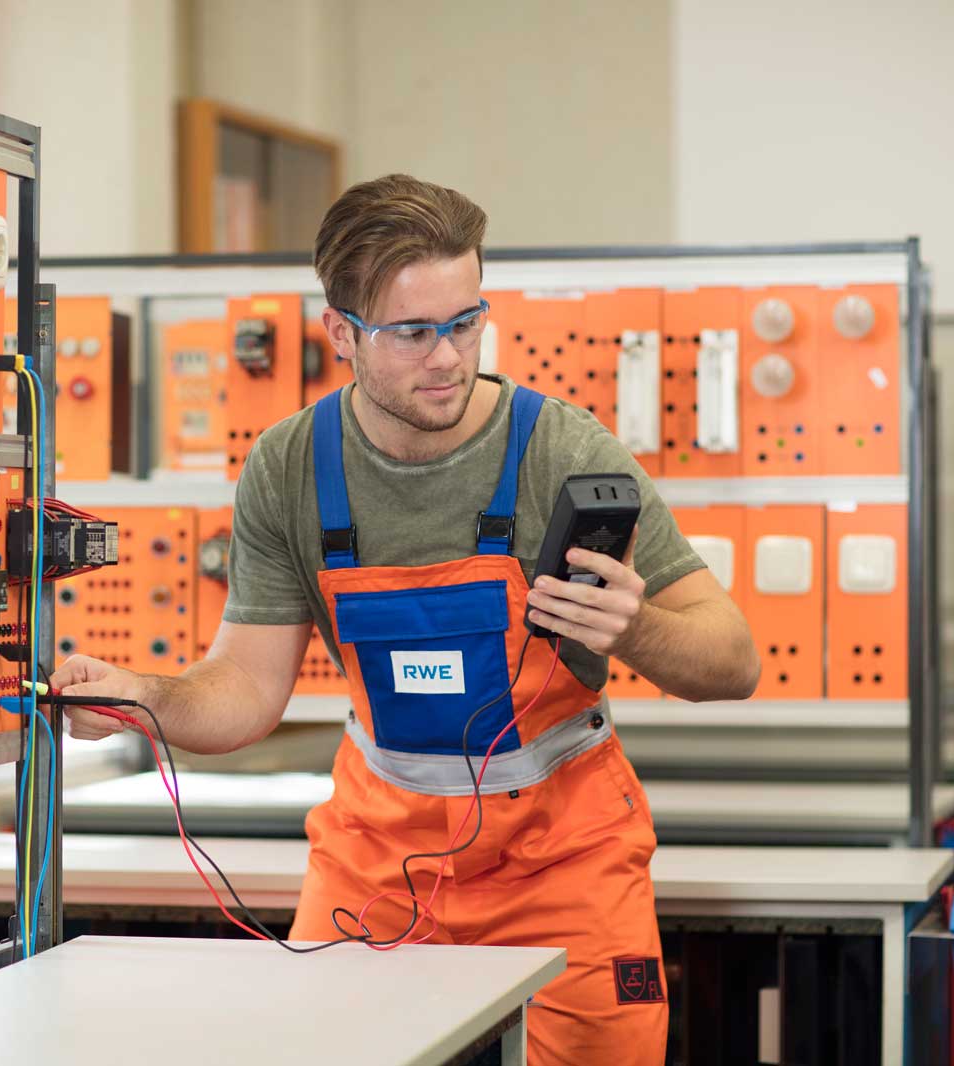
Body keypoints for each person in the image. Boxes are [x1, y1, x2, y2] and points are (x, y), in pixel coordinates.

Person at [51, 173, 759, 1065]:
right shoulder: (290, 468)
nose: (450, 357)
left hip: (563, 859)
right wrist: (140, 696)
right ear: (339, 334)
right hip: (378, 861)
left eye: (466, 322)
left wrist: (639, 628)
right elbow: (245, 691)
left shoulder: (562, 452)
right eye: (415, 332)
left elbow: (734, 659)